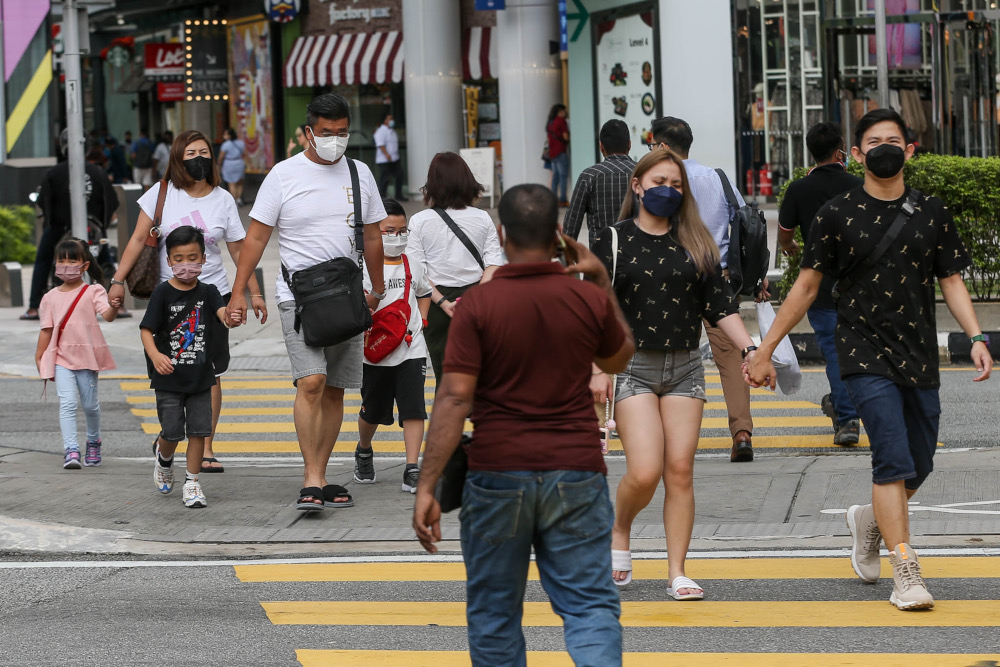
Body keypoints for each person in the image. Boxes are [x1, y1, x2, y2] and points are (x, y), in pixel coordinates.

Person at [747, 108, 993, 611]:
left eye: (893, 141)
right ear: (857, 154)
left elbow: (950, 279)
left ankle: (869, 521)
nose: (884, 148)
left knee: (919, 462)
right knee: (891, 458)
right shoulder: (835, 214)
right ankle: (906, 567)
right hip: (861, 348)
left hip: (917, 350)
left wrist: (976, 336)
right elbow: (806, 286)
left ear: (910, 151)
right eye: (874, 142)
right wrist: (766, 348)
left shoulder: (931, 211)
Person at [413, 183, 635, 666]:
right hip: (576, 470)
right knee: (589, 605)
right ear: (557, 233)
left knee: (495, 614)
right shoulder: (585, 298)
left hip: (497, 472)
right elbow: (619, 358)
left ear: (501, 234)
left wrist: (427, 485)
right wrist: (600, 282)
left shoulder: (478, 305)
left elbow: (454, 398)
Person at [592, 148, 757, 598]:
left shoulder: (696, 241)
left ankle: (677, 571)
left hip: (685, 367)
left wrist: (751, 350)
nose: (668, 190)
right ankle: (619, 529)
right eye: (659, 182)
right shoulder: (613, 240)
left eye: (676, 185)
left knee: (680, 471)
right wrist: (596, 368)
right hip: (632, 369)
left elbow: (720, 307)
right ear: (637, 185)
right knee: (645, 472)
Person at [226, 92, 387, 512]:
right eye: (327, 132)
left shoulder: (360, 173)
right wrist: (239, 290)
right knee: (311, 382)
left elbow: (373, 235)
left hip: (347, 296)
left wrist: (377, 288)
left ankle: (322, 474)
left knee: (335, 389)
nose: (335, 140)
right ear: (308, 133)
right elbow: (256, 238)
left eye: (342, 132)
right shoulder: (283, 175)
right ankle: (311, 477)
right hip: (298, 297)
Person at [109, 129, 267, 474]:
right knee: (171, 369)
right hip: (169, 300)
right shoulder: (162, 193)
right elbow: (137, 239)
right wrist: (117, 281)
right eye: (191, 154)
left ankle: (206, 445)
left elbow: (239, 250)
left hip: (212, 297)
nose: (199, 159)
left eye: (204, 152)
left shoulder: (223, 199)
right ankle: (169, 434)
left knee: (211, 372)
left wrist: (251, 293)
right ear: (178, 160)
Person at [650, 116, 765, 463]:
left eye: (652, 145)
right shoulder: (718, 178)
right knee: (730, 359)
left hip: (673, 281)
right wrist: (754, 276)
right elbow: (745, 223)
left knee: (671, 356)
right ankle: (741, 434)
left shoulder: (660, 183)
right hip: (720, 278)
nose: (651, 151)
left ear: (663, 146)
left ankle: (667, 438)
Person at [778, 121, 863, 445]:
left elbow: (785, 234)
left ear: (811, 152)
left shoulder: (798, 189)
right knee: (859, 352)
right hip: (859, 284)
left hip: (820, 286)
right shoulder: (858, 186)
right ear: (840, 151)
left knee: (835, 352)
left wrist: (791, 247)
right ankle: (845, 407)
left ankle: (847, 417)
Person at [141, 227, 234, 509]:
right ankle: (164, 459)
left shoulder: (209, 292)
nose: (186, 265)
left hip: (201, 377)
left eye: (192, 258)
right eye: (179, 259)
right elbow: (146, 329)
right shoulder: (162, 292)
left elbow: (223, 315)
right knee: (171, 432)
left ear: (204, 258)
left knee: (198, 433)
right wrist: (156, 356)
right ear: (169, 260)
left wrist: (232, 315)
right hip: (168, 378)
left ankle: (192, 483)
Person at [405, 152, 504, 382]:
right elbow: (493, 264)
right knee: (482, 371)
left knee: (446, 375)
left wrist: (443, 303)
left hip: (436, 304)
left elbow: (417, 272)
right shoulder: (482, 218)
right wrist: (472, 298)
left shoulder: (419, 221)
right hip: (477, 298)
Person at [355, 198, 432, 492]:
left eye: (402, 231)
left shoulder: (412, 263)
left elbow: (424, 292)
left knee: (414, 409)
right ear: (374, 231)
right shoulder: (362, 267)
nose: (397, 238)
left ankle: (412, 467)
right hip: (374, 351)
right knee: (372, 410)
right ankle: (364, 450)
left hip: (411, 347)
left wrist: (421, 320)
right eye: (389, 231)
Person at [35, 239, 120, 469]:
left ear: (84, 265)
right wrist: (40, 356)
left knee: (90, 406)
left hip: (87, 358)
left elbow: (108, 315)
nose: (66, 265)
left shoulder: (94, 291)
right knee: (68, 404)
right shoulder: (49, 297)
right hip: (61, 358)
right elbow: (46, 330)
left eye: (72, 261)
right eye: (61, 260)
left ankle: (93, 441)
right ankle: (71, 450)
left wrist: (114, 305)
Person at [21, 131, 120, 321]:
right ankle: (118, 305)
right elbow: (112, 201)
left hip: (60, 228)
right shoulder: (98, 172)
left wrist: (51, 221)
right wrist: (102, 223)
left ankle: (33, 307)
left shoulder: (54, 173)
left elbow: (44, 202)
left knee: (43, 260)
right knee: (106, 260)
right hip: (95, 228)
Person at [563, 119, 637, 249]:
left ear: (601, 146)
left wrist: (567, 255)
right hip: (636, 253)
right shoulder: (643, 172)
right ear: (629, 145)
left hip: (600, 254)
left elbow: (572, 222)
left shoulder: (589, 176)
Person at [374, 111, 406, 200]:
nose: (392, 121)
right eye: (389, 119)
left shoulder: (392, 131)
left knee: (399, 175)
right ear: (384, 120)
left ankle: (398, 195)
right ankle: (382, 197)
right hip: (384, 159)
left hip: (395, 159)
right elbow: (381, 144)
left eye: (392, 119)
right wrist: (387, 155)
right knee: (385, 179)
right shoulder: (380, 131)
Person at [546, 104, 571, 206]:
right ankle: (563, 200)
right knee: (563, 176)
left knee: (555, 176)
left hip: (552, 153)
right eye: (564, 111)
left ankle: (553, 199)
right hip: (561, 151)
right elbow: (565, 137)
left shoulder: (550, 123)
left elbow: (548, 139)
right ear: (560, 111)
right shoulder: (561, 121)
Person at [218, 128, 247, 206]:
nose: (224, 136)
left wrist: (219, 165)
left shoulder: (226, 145)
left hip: (229, 163)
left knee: (231, 183)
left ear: (230, 135)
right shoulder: (241, 143)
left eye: (225, 134)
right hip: (239, 162)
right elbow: (245, 153)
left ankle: (235, 200)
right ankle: (239, 199)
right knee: (240, 183)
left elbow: (221, 157)